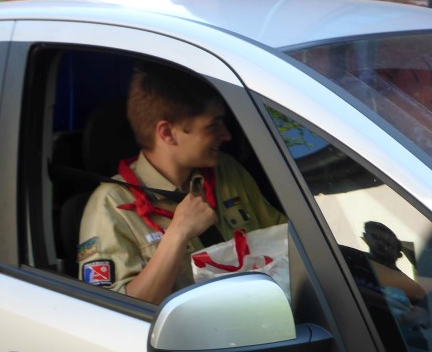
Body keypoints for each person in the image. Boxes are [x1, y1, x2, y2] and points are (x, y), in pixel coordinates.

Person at [76, 62, 286, 304]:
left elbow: (286, 242)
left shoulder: (227, 170)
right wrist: (178, 233)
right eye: (213, 125)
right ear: (167, 133)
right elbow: (114, 312)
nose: (226, 135)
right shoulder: (111, 204)